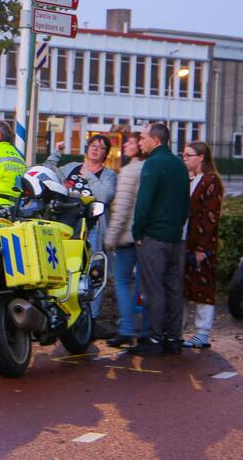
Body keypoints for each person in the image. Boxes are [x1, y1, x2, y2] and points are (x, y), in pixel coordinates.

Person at [129, 123, 191, 356]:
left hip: (153, 237)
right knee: (173, 288)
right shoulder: (179, 165)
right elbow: (186, 204)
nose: (140, 142)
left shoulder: (152, 164)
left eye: (143, 138)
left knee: (153, 289)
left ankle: (154, 340)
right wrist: (176, 226)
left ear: (155, 140)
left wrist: (138, 232)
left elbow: (143, 204)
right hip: (175, 236)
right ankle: (173, 338)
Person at [45, 134, 117, 333]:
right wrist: (56, 154)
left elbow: (105, 196)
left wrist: (89, 176)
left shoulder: (108, 174)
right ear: (87, 148)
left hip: (92, 228)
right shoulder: (71, 168)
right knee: (67, 271)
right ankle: (66, 311)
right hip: (67, 227)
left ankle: (90, 320)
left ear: (105, 153)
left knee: (91, 271)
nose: (95, 149)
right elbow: (49, 175)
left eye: (101, 147)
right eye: (93, 145)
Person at [103, 132, 149, 347]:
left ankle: (127, 328)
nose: (127, 145)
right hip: (147, 237)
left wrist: (110, 238)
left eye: (130, 142)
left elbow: (121, 209)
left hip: (128, 236)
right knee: (146, 285)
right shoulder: (150, 168)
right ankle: (147, 329)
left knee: (122, 281)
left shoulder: (130, 171)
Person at [182, 141, 224, 348]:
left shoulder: (210, 181)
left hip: (200, 244)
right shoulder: (191, 179)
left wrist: (202, 248)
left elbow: (210, 217)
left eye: (189, 155)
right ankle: (178, 329)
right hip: (186, 240)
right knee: (183, 285)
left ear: (201, 157)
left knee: (202, 286)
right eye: (184, 155)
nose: (185, 158)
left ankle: (202, 332)